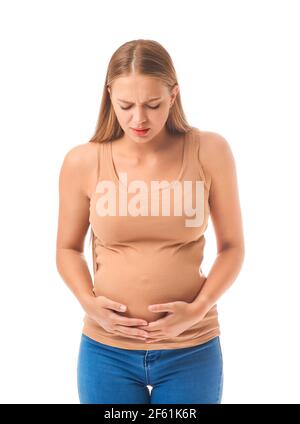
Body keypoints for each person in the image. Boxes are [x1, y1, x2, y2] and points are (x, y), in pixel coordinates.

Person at [56, 39, 245, 404]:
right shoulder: (82, 162)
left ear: (174, 96)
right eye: (126, 105)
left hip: (192, 349)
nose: (138, 118)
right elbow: (66, 248)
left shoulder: (210, 151)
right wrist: (88, 301)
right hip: (106, 350)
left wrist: (197, 310)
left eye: (153, 104)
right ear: (109, 95)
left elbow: (233, 248)